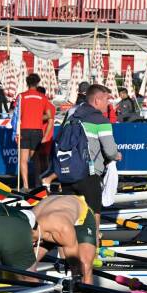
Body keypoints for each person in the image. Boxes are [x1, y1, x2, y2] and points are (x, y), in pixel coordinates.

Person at [43, 84, 121, 223]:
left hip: (67, 173)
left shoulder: (72, 114)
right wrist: (116, 156)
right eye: (106, 100)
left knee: (70, 217)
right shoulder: (101, 121)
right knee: (93, 216)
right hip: (89, 175)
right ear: (97, 100)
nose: (108, 104)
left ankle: (69, 243)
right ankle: (94, 242)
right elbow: (110, 151)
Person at [15, 73, 55, 191]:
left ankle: (26, 185)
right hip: (37, 130)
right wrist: (38, 117)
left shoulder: (21, 96)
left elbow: (16, 114)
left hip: (24, 130)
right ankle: (38, 183)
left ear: (27, 83)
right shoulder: (42, 97)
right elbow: (48, 115)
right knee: (35, 159)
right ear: (37, 83)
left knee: (23, 160)